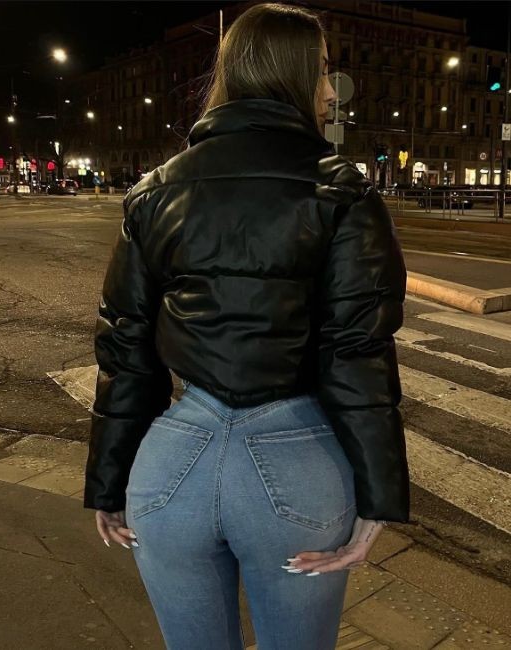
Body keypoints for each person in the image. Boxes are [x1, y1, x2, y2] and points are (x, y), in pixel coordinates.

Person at [84, 3, 409, 649]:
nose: (330, 91)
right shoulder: (342, 192)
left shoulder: (154, 191)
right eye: (322, 70)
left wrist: (108, 481)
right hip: (295, 466)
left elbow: (125, 347)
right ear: (292, 74)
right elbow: (356, 350)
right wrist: (380, 497)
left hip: (172, 463)